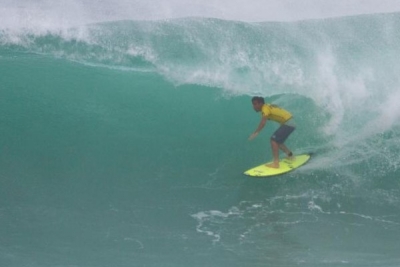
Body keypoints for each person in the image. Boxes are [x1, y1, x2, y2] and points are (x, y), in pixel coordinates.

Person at [248, 96, 295, 168]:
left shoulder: (265, 108)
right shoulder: (267, 106)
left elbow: (263, 122)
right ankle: (290, 155)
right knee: (277, 142)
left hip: (288, 123)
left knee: (273, 140)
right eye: (253, 104)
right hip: (289, 122)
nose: (254, 106)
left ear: (261, 104)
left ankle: (276, 163)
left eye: (255, 104)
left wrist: (256, 133)